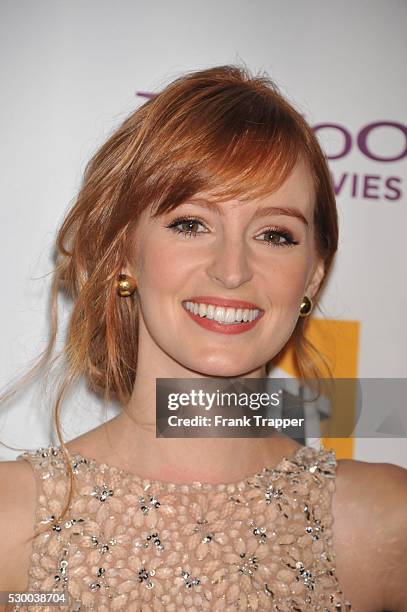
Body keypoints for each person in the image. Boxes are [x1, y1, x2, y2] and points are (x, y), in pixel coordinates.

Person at [0, 65, 406, 612]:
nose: (232, 269)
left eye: (274, 234)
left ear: (312, 275)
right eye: (191, 223)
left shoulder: (385, 522)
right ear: (123, 253)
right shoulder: (11, 520)